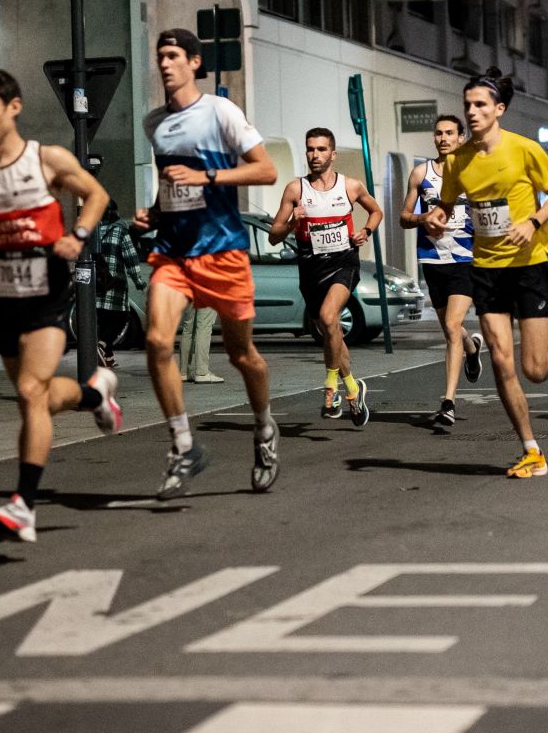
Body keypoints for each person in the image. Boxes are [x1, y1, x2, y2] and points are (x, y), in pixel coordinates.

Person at [0, 68, 120, 543]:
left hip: (47, 289)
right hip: (2, 298)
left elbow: (96, 194)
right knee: (38, 398)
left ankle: (23, 505)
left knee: (29, 392)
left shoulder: (45, 160)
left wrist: (78, 236)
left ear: (14, 107)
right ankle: (95, 395)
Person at [136, 29, 280, 498]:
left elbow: (266, 169)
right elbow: (170, 182)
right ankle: (182, 445)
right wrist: (154, 212)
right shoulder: (154, 122)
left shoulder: (220, 111)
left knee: (242, 356)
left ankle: (263, 430)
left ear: (195, 63)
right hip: (175, 251)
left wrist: (208, 174)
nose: (165, 63)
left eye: (174, 55)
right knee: (158, 341)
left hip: (222, 250)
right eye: (161, 56)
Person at [423, 70, 548, 478]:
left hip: (528, 266)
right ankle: (531, 451)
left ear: (499, 110)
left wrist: (534, 221)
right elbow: (449, 203)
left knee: (535, 370)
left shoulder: (524, 150)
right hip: (486, 269)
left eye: (480, 105)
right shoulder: (457, 160)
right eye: (467, 105)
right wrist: (435, 217)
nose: (471, 112)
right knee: (502, 363)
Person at [270, 128, 381, 427]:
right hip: (311, 268)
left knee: (330, 317)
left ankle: (330, 389)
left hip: (344, 263)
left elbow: (376, 211)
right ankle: (354, 389)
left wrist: (365, 232)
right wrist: (294, 221)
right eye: (310, 149)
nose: (314, 155)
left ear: (333, 154)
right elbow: (272, 236)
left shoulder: (350, 186)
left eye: (321, 149)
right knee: (331, 331)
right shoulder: (296, 190)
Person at [400, 113, 482, 431]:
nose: (443, 138)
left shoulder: (473, 173)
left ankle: (447, 402)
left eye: (450, 133)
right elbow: (404, 217)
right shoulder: (421, 173)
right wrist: (425, 220)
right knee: (452, 330)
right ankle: (472, 347)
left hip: (465, 259)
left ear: (461, 138)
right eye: (439, 133)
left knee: (451, 325)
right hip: (433, 260)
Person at [94, 200, 145, 369]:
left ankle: (107, 357)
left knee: (103, 318)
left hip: (96, 283)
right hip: (115, 283)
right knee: (121, 317)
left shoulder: (94, 230)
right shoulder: (120, 230)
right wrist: (139, 281)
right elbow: (131, 258)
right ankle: (101, 346)